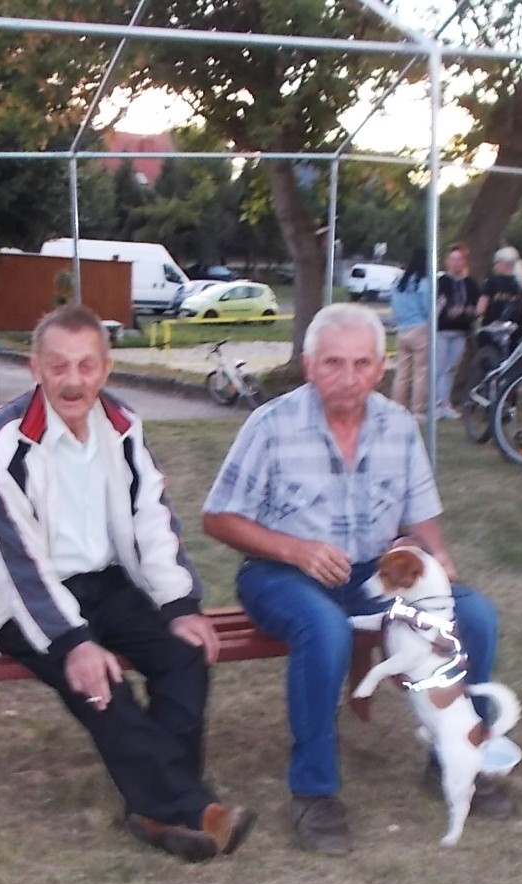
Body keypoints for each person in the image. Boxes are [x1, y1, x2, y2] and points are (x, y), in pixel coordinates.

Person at [203, 303, 506, 856]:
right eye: (333, 363)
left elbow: (421, 518)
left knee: (476, 616)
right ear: (309, 365)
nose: (349, 378)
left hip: (372, 572)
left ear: (381, 366)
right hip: (280, 572)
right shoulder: (270, 425)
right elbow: (218, 517)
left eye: (362, 363)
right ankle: (313, 792)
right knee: (324, 628)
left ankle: (456, 753)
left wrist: (434, 553)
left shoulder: (398, 426)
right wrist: (295, 549)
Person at [0, 305, 254, 863]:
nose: (73, 381)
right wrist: (73, 642)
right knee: (102, 684)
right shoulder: (4, 439)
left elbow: (151, 516)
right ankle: (196, 808)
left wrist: (179, 604)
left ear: (106, 367)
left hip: (104, 583)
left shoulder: (121, 423)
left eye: (86, 365)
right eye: (58, 366)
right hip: (19, 603)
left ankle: (153, 810)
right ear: (35, 368)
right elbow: (15, 556)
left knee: (185, 654)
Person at [390, 249, 453, 419]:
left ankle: (397, 407)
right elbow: (428, 309)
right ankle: (417, 409)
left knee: (402, 373)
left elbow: (393, 305)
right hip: (420, 328)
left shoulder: (399, 282)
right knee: (421, 371)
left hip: (402, 328)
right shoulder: (424, 283)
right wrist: (440, 305)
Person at [434, 243, 480, 420]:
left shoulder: (470, 284)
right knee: (439, 367)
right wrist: (446, 310)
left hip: (460, 331)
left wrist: (468, 311)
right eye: (452, 259)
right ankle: (437, 403)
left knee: (450, 368)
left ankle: (445, 403)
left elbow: (475, 305)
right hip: (442, 330)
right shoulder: (441, 282)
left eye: (459, 259)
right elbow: (436, 304)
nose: (455, 263)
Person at [477, 245, 522, 328]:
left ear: (504, 263)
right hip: (516, 329)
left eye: (496, 262)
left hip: (493, 329)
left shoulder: (491, 283)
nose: (494, 266)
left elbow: (480, 309)